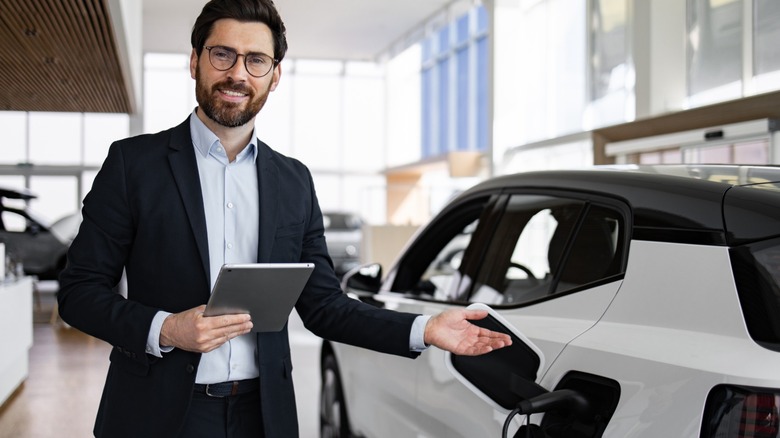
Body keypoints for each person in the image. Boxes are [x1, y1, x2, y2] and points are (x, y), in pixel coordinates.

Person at [57, 0, 511, 437]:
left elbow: (324, 307)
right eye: (222, 55)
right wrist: (167, 328)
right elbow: (79, 292)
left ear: (274, 77)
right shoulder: (133, 163)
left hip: (264, 414)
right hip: (155, 413)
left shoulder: (293, 180)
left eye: (256, 60)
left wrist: (425, 328)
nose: (237, 73)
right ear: (194, 61)